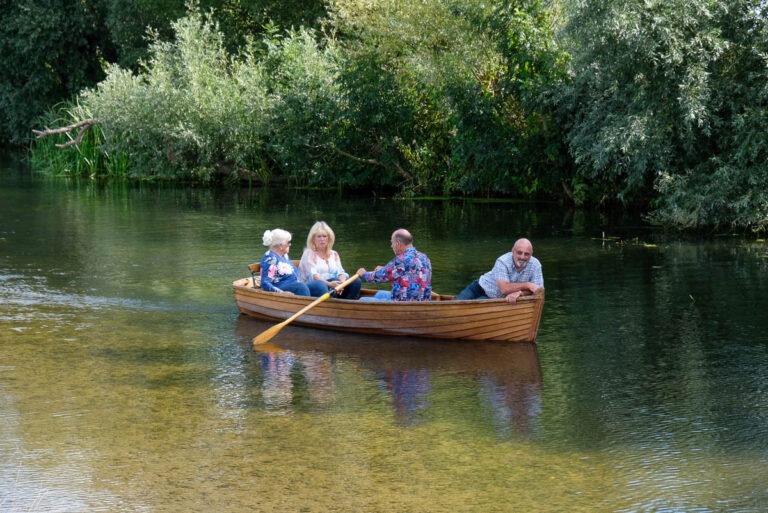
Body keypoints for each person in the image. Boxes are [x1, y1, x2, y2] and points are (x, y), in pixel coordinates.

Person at [455, 238, 543, 303]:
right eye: (519, 252)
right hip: (480, 288)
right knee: (456, 305)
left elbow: (539, 291)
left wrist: (520, 293)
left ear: (531, 254)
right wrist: (528, 285)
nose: (522, 257)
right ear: (513, 251)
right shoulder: (502, 261)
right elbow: (504, 289)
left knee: (472, 309)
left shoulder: (536, 265)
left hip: (494, 298)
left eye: (527, 254)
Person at [356, 228, 432, 301]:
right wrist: (385, 268)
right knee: (380, 294)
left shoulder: (400, 260)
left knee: (362, 300)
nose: (391, 246)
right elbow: (407, 271)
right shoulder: (425, 257)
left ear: (398, 243)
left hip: (405, 303)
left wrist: (364, 274)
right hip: (424, 300)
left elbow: (378, 277)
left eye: (392, 242)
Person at [298, 221, 362, 299]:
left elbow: (340, 272)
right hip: (318, 286)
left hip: (334, 285)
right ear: (313, 239)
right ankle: (334, 304)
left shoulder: (334, 254)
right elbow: (313, 275)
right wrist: (329, 283)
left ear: (329, 238)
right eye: (319, 236)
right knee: (333, 280)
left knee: (356, 281)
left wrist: (342, 282)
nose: (322, 239)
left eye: (324, 236)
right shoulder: (309, 253)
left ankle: (349, 303)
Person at [259, 228, 311, 296]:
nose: (290, 244)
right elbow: (265, 283)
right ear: (281, 245)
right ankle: (306, 304)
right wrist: (281, 293)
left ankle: (322, 306)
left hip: (295, 284)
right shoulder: (271, 259)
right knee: (301, 287)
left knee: (318, 285)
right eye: (288, 242)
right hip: (280, 287)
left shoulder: (284, 255)